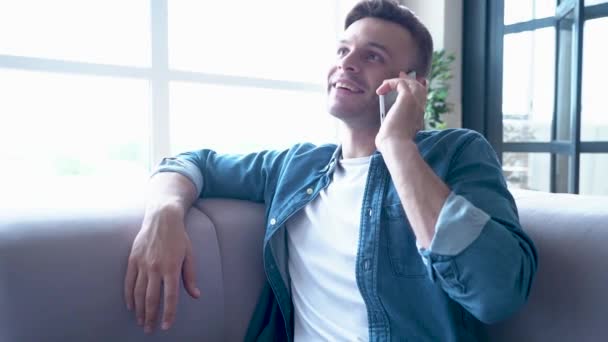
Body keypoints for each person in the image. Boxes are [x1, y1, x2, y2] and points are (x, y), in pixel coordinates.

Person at [124, 0, 538, 340]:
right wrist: (163, 214)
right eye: (343, 50)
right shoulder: (295, 167)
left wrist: (396, 146)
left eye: (372, 55)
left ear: (410, 84)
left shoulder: (457, 153)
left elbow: (496, 293)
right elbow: (189, 163)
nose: (347, 63)